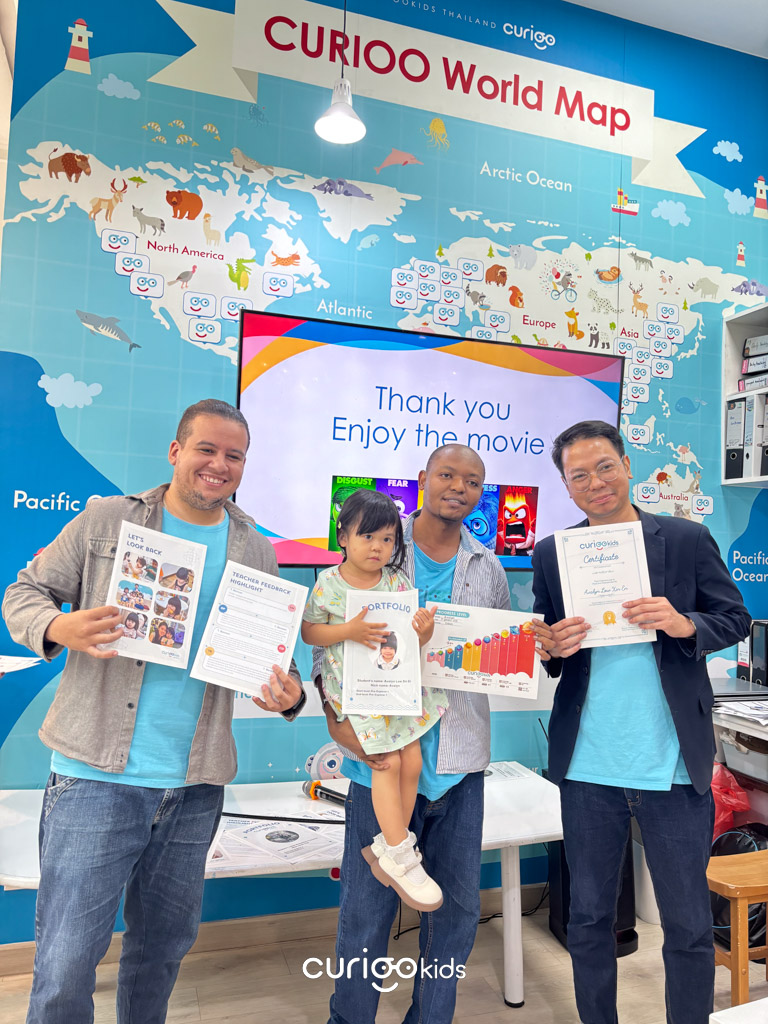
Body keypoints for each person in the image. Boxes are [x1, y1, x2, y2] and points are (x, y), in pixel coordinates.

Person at [3, 398, 306, 1024]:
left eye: (234, 456)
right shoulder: (108, 520)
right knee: (65, 962)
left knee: (162, 950)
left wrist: (289, 694)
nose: (219, 465)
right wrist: (59, 626)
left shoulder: (257, 550)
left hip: (196, 785)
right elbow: (23, 593)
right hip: (95, 777)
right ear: (175, 451)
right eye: (206, 449)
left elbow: (276, 658)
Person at [531, 420, 750, 1024]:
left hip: (672, 765)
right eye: (579, 475)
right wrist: (551, 646)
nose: (595, 483)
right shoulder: (552, 553)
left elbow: (734, 619)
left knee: (688, 924)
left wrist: (683, 623)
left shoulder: (685, 538)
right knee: (588, 918)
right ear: (566, 486)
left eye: (605, 466)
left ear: (627, 465)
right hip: (588, 767)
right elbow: (547, 646)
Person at [315, 444, 513, 1024]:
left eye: (472, 481)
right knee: (364, 915)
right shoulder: (375, 540)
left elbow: (500, 648)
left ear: (481, 493)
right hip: (376, 760)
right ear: (423, 478)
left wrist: (533, 648)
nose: (458, 487)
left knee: (454, 916)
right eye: (446, 474)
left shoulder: (489, 567)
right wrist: (333, 718)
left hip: (458, 764)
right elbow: (327, 643)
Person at [302, 490, 445, 913]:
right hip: (355, 690)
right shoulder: (329, 583)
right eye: (368, 537)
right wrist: (347, 631)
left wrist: (423, 632)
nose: (378, 547)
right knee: (386, 763)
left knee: (412, 761)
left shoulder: (396, 581)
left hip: (394, 684)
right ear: (343, 537)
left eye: (387, 539)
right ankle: (400, 853)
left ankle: (391, 845)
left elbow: (409, 639)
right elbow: (310, 633)